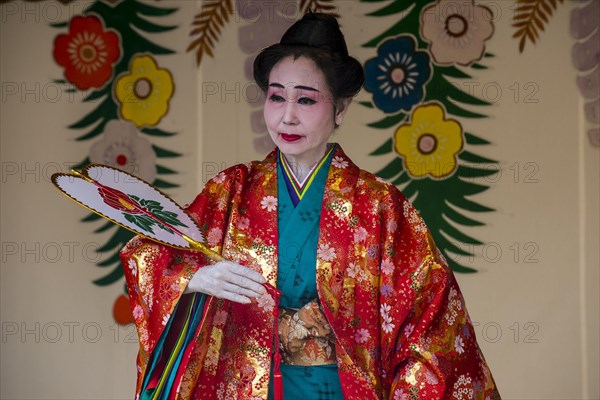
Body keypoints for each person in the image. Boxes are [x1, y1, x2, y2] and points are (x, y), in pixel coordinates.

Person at [120, 12, 500, 400]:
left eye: (305, 99)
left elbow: (430, 319)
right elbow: (148, 251)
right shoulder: (231, 190)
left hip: (340, 389)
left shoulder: (380, 205)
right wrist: (191, 281)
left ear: (340, 108)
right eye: (276, 96)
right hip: (249, 385)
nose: (287, 115)